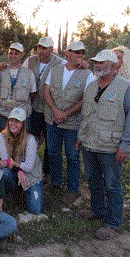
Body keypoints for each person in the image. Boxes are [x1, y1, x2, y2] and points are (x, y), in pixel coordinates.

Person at [77, 49, 130, 240]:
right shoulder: (91, 86)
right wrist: (80, 136)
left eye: (102, 62)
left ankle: (113, 223)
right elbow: (85, 115)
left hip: (111, 147)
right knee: (93, 180)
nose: (97, 65)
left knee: (112, 185)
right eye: (95, 62)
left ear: (112, 66)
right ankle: (97, 210)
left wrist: (126, 146)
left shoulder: (126, 88)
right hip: (90, 143)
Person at [43, 41, 95, 204]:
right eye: (77, 52)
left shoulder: (88, 75)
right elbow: (46, 91)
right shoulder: (55, 69)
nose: (80, 55)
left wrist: (65, 114)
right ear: (67, 53)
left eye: (83, 53)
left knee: (73, 156)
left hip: (72, 123)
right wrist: (56, 112)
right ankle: (56, 182)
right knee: (52, 152)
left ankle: (73, 189)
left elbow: (85, 99)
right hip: (53, 120)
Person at [22, 36, 65, 179]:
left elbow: (72, 69)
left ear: (51, 50)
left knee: (50, 143)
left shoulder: (60, 63)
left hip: (49, 110)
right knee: (31, 140)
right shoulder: (30, 60)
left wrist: (82, 64)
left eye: (44, 48)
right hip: (33, 108)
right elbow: (21, 75)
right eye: (39, 48)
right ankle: (31, 168)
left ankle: (48, 173)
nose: (40, 51)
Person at [0, 108, 43, 214]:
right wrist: (18, 170)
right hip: (14, 171)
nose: (13, 124)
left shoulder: (31, 140)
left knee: (35, 210)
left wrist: (13, 164)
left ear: (23, 124)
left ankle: (28, 190)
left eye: (17, 121)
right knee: (4, 173)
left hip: (31, 176)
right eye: (11, 120)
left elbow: (29, 167)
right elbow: (5, 160)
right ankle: (14, 191)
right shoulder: (2, 135)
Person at [0, 42, 36, 131]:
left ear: (22, 55)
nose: (13, 56)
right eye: (11, 53)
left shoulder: (28, 74)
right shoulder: (1, 72)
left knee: (22, 142)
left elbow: (32, 94)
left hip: (21, 115)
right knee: (4, 142)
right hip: (4, 114)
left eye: (16, 54)